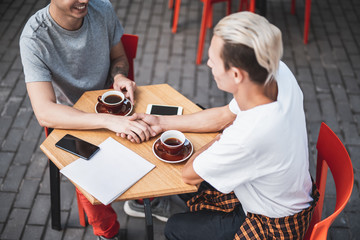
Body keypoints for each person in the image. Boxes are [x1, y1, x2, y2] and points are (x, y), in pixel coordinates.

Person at [135, 12, 319, 240]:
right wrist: (162, 122)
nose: (208, 63)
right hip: (281, 190)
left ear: (235, 74)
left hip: (272, 223)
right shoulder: (276, 72)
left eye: (213, 58)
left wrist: (218, 140)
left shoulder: (247, 136)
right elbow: (224, 115)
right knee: (199, 121)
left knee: (176, 227)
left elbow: (190, 175)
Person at [19, 0, 168, 239]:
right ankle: (107, 233)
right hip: (70, 117)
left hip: (111, 106)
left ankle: (143, 201)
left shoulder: (102, 8)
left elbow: (118, 56)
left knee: (151, 135)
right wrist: (109, 122)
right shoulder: (34, 38)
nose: (85, 0)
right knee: (85, 172)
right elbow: (44, 112)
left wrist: (119, 75)